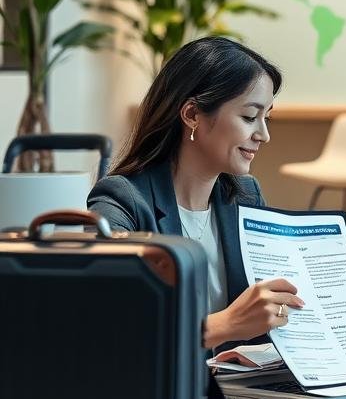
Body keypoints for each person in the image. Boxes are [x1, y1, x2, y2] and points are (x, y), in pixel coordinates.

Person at [88, 36, 304, 350]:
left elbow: (270, 312)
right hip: (159, 393)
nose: (263, 135)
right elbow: (115, 326)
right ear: (191, 114)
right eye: (249, 117)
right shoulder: (121, 201)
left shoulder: (246, 196)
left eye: (265, 118)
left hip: (237, 388)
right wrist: (226, 324)